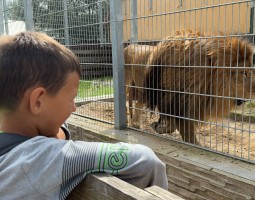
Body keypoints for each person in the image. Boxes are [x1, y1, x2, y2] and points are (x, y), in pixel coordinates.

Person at [0, 31, 168, 200]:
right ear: (37, 101)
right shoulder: (45, 158)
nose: (74, 108)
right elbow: (146, 161)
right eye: (72, 98)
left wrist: (59, 132)